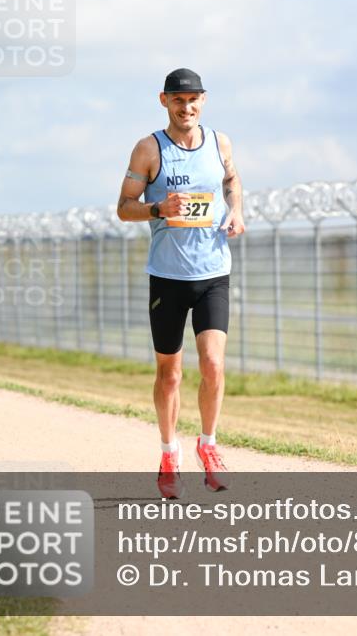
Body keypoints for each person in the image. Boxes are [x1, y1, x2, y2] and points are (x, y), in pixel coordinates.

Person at [116, 68, 245, 499]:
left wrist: (237, 211)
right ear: (164, 101)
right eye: (178, 100)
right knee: (170, 374)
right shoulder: (148, 148)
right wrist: (159, 208)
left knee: (213, 364)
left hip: (213, 274)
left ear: (203, 101)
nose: (186, 108)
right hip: (168, 278)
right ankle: (169, 455)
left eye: (193, 100)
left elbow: (231, 180)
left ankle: (208, 447)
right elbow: (123, 207)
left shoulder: (219, 142)